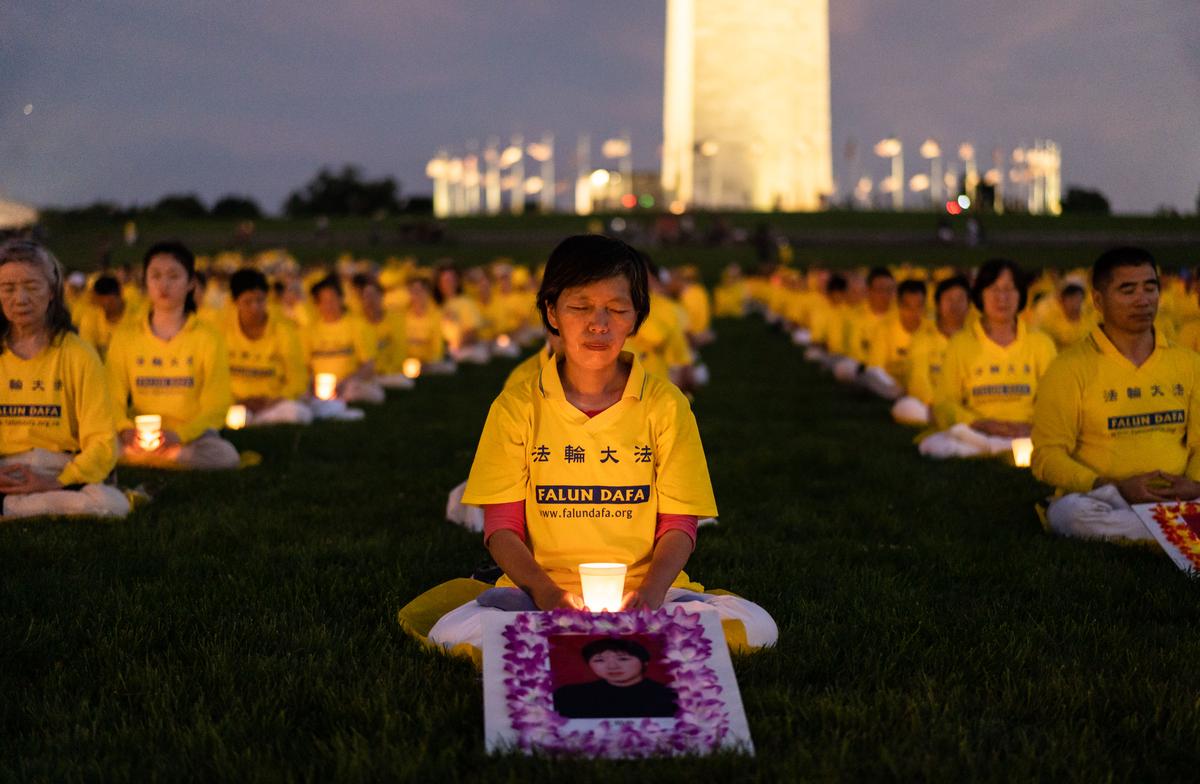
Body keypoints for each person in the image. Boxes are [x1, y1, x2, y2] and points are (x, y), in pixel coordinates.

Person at [422, 235, 777, 655]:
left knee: (757, 626)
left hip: (649, 596)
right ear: (552, 313)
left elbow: (680, 524)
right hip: (536, 598)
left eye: (616, 309)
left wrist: (649, 594)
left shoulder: (666, 405)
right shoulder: (517, 405)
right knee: (450, 632)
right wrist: (548, 594)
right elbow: (501, 526)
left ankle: (575, 644)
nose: (599, 324)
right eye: (580, 307)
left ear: (637, 317)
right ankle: (622, 643)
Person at [1033, 247, 1200, 541]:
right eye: (1128, 290)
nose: (1143, 299)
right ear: (1098, 300)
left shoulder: (1188, 364)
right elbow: (1046, 455)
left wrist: (1195, 485)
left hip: (1180, 494)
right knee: (1069, 513)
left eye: (1150, 288)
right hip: (1107, 497)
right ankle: (1180, 532)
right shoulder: (1069, 367)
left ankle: (1162, 530)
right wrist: (1113, 485)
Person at [0, 240, 129, 518]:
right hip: (6, 469)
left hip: (61, 465)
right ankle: (35, 504)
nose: (20, 299)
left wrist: (55, 480)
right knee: (105, 503)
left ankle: (14, 507)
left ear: (51, 292)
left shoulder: (79, 354)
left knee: (111, 504)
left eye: (32, 287)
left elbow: (102, 442)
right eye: (8, 288)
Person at [106, 241, 240, 470]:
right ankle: (166, 457)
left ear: (190, 283)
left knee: (225, 455)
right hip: (138, 436)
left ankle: (155, 457)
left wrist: (179, 435)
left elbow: (217, 405)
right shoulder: (125, 336)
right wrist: (124, 429)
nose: (163, 285)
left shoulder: (208, 337)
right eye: (155, 276)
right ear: (145, 282)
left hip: (191, 436)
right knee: (101, 445)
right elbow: (111, 395)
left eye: (173, 276)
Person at [920, 259, 1057, 458]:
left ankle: (1001, 450)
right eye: (993, 289)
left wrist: (1030, 426)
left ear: (1020, 295)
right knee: (934, 444)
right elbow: (943, 402)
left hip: (1028, 432)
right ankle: (1002, 449)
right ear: (980, 295)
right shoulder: (961, 343)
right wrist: (982, 424)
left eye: (1009, 290)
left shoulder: (1041, 343)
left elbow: (1055, 401)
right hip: (978, 432)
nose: (1002, 298)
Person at [223, 268, 312, 426]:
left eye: (260, 300)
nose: (255, 308)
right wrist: (238, 400)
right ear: (235, 302)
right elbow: (213, 376)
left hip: (274, 403)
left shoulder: (284, 331)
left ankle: (255, 422)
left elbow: (298, 378)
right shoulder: (222, 331)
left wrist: (275, 399)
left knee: (297, 412)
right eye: (248, 302)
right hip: (233, 402)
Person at [892, 276, 971, 425]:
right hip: (932, 405)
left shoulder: (976, 338)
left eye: (960, 300)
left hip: (968, 405)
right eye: (949, 300)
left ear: (969, 305)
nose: (954, 306)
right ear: (938, 304)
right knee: (904, 407)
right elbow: (918, 380)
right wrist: (937, 405)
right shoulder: (922, 338)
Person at [303, 274, 385, 404]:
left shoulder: (358, 326)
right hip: (318, 387)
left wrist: (345, 382)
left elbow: (368, 365)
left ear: (341, 299)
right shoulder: (309, 331)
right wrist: (312, 384)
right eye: (323, 301)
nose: (329, 305)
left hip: (350, 383)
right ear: (317, 305)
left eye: (332, 300)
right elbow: (304, 366)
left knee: (361, 391)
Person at [552, 638, 678, 719]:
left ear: (644, 662)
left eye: (623, 658)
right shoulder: (570, 696)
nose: (612, 666)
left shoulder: (670, 696)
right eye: (599, 660)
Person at [862, 279, 934, 400]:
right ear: (899, 305)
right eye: (908, 306)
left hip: (923, 387)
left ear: (925, 306)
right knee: (871, 374)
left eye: (919, 306)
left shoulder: (932, 330)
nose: (914, 312)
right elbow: (876, 367)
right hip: (892, 385)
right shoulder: (885, 329)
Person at [352, 272, 413, 389]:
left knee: (406, 383)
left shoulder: (395, 319)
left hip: (389, 372)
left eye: (374, 295)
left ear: (381, 297)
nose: (371, 300)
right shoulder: (356, 323)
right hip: (365, 374)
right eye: (366, 296)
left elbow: (400, 349)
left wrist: (387, 370)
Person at [76, 274, 138, 359]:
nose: (98, 304)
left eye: (98, 299)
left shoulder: (137, 315)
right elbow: (88, 353)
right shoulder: (91, 317)